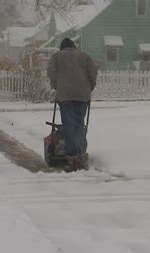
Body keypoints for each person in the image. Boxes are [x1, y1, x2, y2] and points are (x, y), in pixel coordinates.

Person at [47, 38, 98, 172]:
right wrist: (89, 87)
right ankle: (81, 155)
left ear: (62, 48)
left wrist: (57, 86)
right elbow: (93, 73)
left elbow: (52, 73)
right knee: (79, 124)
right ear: (74, 46)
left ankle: (72, 158)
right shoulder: (84, 56)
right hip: (82, 95)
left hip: (65, 96)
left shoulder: (56, 57)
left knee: (69, 125)